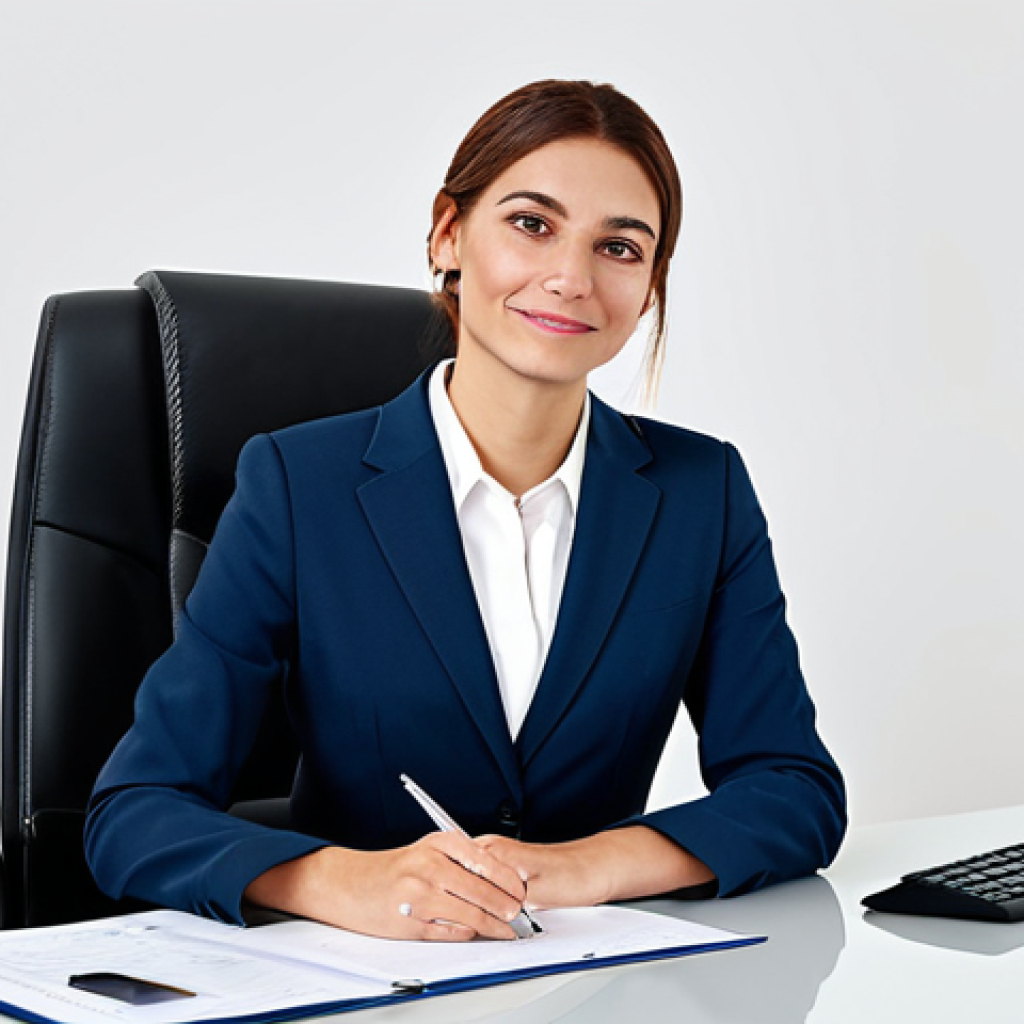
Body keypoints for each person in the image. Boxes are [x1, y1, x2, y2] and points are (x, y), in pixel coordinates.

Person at [85, 79, 846, 942]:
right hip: (362, 984)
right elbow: (134, 814)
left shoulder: (700, 491)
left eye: (621, 248)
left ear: (649, 288)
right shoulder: (299, 485)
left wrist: (576, 866)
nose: (571, 278)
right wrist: (344, 881)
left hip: (594, 985)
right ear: (449, 235)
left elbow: (794, 791)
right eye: (532, 224)